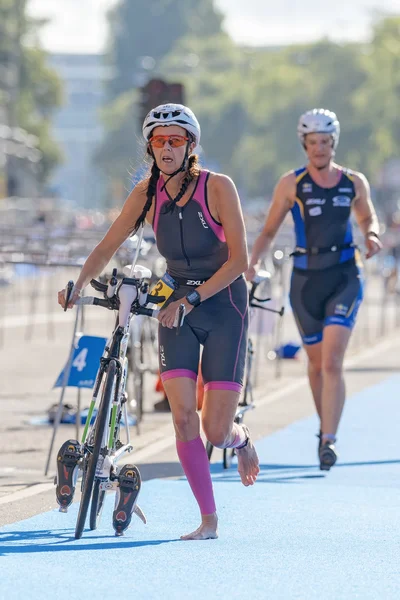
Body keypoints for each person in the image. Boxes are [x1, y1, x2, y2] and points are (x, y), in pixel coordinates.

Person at [56, 103, 259, 539]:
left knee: (215, 430)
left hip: (224, 303)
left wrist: (195, 297)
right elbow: (107, 246)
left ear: (191, 146)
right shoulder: (147, 192)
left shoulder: (218, 187)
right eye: (159, 140)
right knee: (183, 419)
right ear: (150, 147)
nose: (167, 147)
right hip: (175, 303)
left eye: (176, 140)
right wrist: (77, 285)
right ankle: (209, 519)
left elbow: (239, 261)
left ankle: (240, 440)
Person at [246, 108, 382, 470]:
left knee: (333, 362)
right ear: (304, 145)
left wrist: (371, 234)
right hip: (306, 280)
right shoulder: (292, 183)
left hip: (344, 275)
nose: (319, 149)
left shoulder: (354, 181)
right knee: (316, 364)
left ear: (333, 143)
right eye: (312, 143)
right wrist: (254, 262)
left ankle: (328, 440)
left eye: (325, 142)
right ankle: (325, 426)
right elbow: (269, 229)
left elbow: (367, 216)